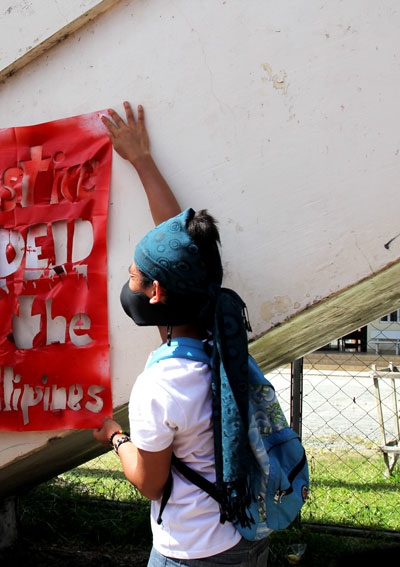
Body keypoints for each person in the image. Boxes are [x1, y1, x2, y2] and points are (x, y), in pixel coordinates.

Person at [94, 102, 269, 566]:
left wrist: (114, 435)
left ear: (156, 294)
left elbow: (150, 482)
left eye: (131, 275)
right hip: (249, 534)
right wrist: (141, 159)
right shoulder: (217, 334)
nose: (126, 283)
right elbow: (177, 247)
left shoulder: (161, 383)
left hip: (193, 553)